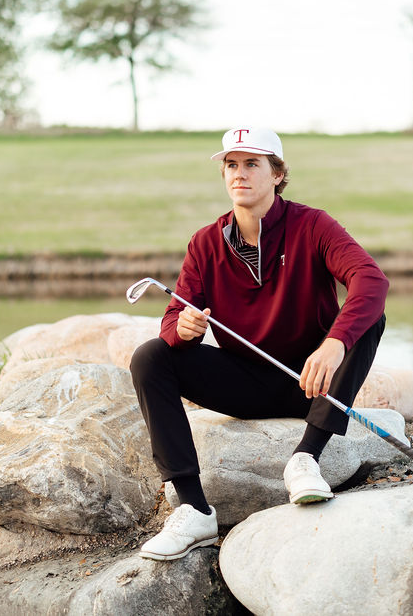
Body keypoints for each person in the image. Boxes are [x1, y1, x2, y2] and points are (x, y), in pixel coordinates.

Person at [129, 127, 388, 561]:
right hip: (246, 383)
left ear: (278, 174)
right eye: (232, 164)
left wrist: (334, 344)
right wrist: (184, 330)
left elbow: (370, 280)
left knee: (369, 318)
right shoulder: (206, 242)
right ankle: (194, 510)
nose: (240, 174)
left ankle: (305, 458)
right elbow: (172, 319)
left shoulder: (312, 225)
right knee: (151, 356)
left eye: (253, 164)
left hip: (314, 382)